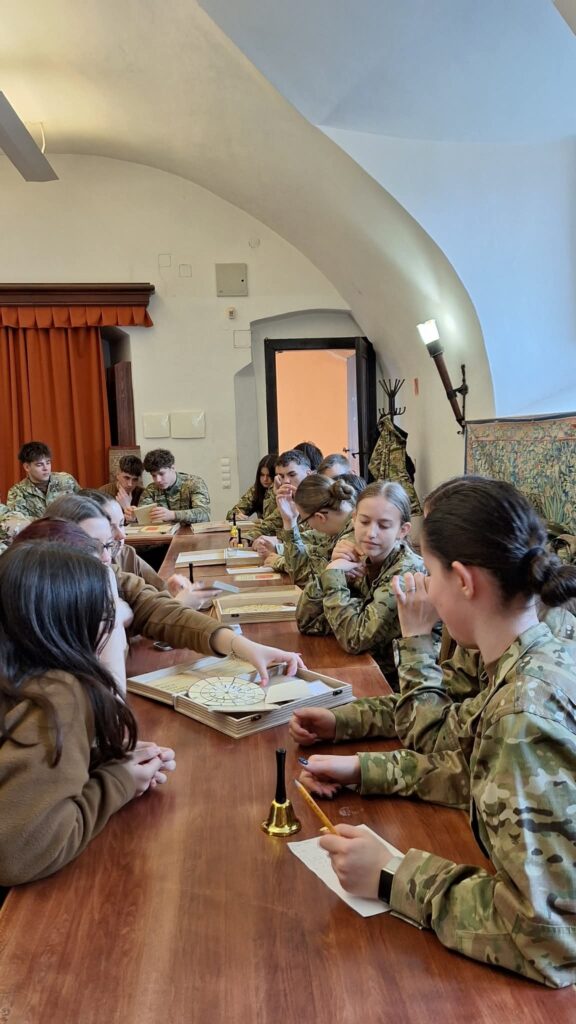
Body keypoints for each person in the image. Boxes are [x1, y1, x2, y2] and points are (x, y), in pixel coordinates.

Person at [316, 478, 576, 988]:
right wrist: (367, 770)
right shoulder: (539, 658)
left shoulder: (522, 713)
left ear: (462, 580)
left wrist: (392, 875)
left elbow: (547, 939)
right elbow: (482, 770)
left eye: (430, 573)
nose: (426, 589)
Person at [0, 542, 177, 886]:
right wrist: (118, 782)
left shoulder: (18, 675)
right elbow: (20, 854)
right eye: (106, 615)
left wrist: (103, 761)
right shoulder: (59, 694)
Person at [42, 495, 304, 685]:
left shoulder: (108, 572)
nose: (107, 556)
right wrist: (113, 620)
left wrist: (243, 647)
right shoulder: (36, 598)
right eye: (94, 546)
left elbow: (161, 611)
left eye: (108, 544)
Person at [296, 480, 426, 685]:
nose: (371, 533)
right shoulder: (361, 557)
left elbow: (355, 639)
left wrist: (334, 576)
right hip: (365, 671)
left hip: (398, 685)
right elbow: (307, 622)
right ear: (354, 519)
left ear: (403, 530)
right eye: (364, 522)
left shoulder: (406, 572)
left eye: (384, 525)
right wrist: (332, 569)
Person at [79, 489, 219, 607]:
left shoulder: (126, 554)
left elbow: (159, 590)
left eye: (122, 524)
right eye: (110, 528)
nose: (122, 535)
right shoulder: (80, 574)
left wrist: (172, 589)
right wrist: (179, 604)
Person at [275, 474, 357, 586]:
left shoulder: (350, 539)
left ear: (320, 517)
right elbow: (313, 557)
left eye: (304, 520)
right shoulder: (341, 527)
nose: (309, 525)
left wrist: (290, 522)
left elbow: (302, 577)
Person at [251, 449, 312, 549]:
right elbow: (269, 525)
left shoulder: (318, 498)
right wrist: (246, 538)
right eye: (282, 477)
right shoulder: (290, 498)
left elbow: (314, 542)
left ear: (308, 474)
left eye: (292, 475)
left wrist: (279, 541)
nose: (286, 481)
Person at [7, 441, 79, 518]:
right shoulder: (17, 492)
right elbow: (18, 520)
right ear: (27, 467)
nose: (46, 468)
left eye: (48, 463)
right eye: (39, 465)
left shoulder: (66, 480)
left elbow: (83, 505)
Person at [139, 449, 211, 524]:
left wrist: (173, 515)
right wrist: (135, 516)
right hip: (165, 531)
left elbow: (204, 514)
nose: (158, 480)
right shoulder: (151, 489)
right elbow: (144, 515)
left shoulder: (194, 483)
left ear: (172, 468)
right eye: (154, 475)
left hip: (192, 530)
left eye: (161, 474)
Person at [226, 454, 277, 521]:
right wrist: (235, 516)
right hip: (263, 527)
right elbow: (234, 511)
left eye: (269, 475)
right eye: (262, 475)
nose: (265, 479)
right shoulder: (256, 490)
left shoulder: (282, 491)